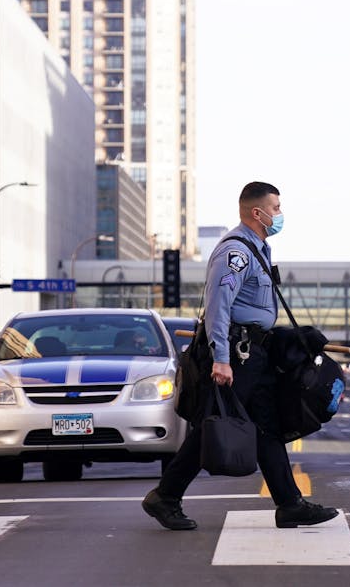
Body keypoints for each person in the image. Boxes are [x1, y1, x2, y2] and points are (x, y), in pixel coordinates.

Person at [143, 181, 338, 532]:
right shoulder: (236, 252)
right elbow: (220, 306)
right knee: (216, 425)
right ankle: (166, 495)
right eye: (276, 208)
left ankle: (290, 504)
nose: (280, 215)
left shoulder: (259, 249)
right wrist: (221, 358)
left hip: (254, 352)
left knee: (265, 427)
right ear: (257, 212)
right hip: (236, 352)